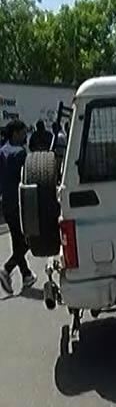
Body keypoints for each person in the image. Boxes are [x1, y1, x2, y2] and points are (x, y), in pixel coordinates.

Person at [0, 120, 37, 294]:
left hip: (6, 203)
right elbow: (28, 178)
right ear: (15, 134)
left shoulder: (2, 152)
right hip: (20, 203)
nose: (24, 137)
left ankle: (26, 274)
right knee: (29, 239)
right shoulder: (21, 154)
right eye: (22, 133)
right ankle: (6, 269)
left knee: (17, 240)